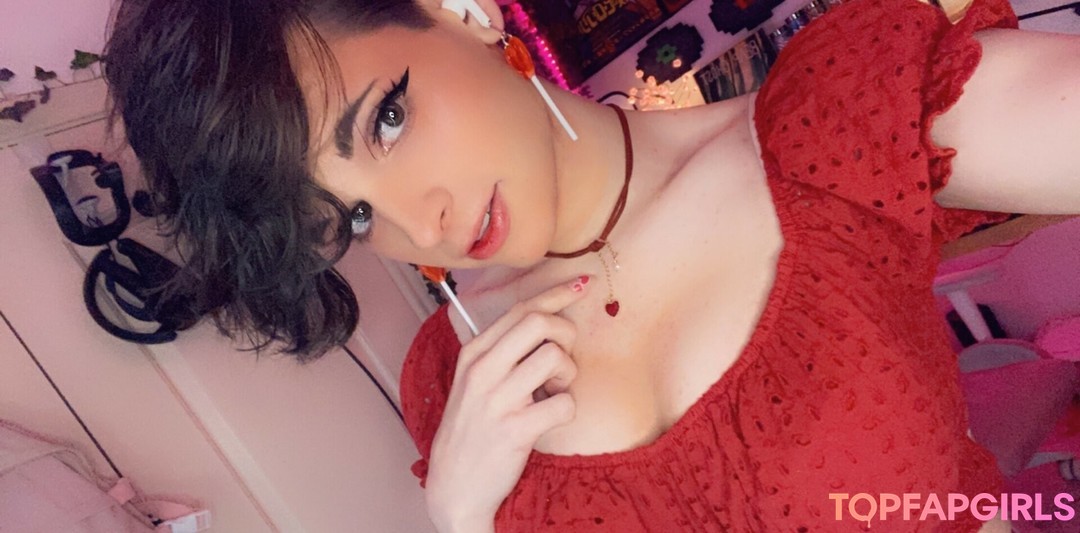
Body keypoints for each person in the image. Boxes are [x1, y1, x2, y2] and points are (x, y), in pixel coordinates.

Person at [102, 0, 1078, 530]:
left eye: (387, 120)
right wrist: (460, 517)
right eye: (353, 217)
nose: (416, 220)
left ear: (461, 13)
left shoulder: (827, 128)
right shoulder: (454, 387)